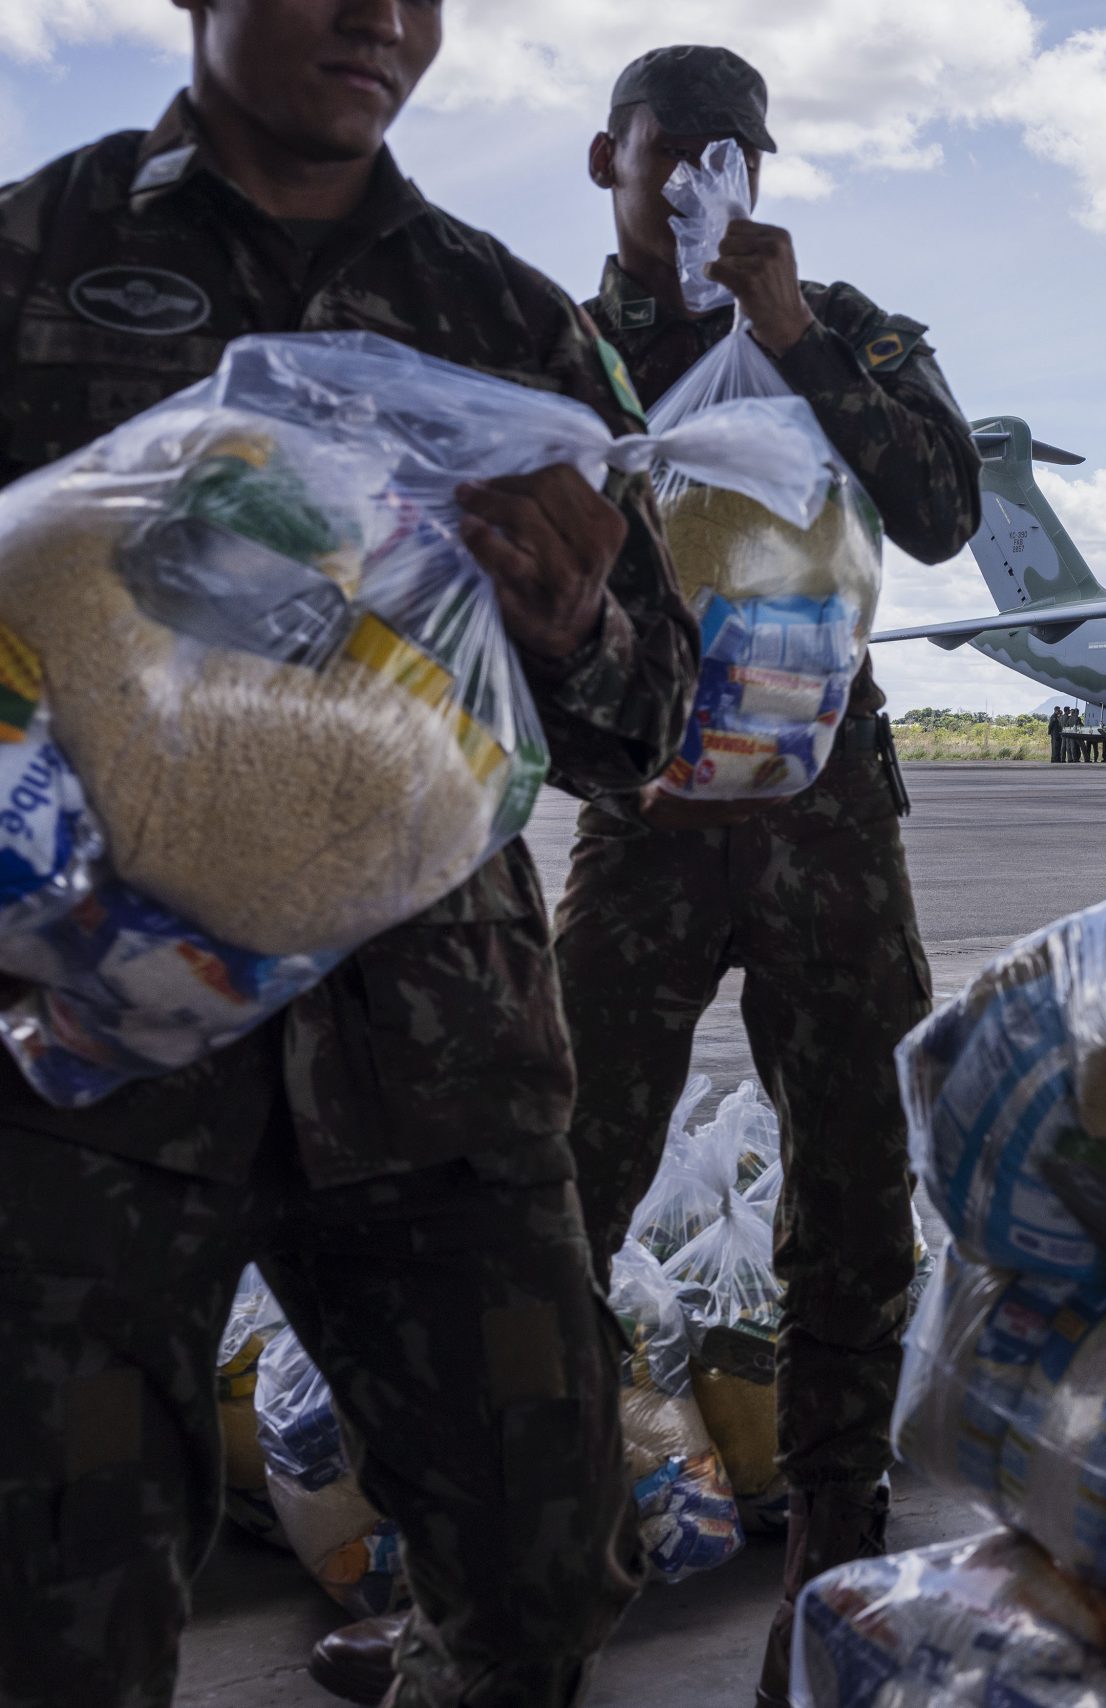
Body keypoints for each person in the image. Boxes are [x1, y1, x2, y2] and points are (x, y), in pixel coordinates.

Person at [0, 2, 701, 1703]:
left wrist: (577, 625)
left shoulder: (503, 316)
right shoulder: (32, 257)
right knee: (56, 1617)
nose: (379, 15)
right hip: (88, 1070)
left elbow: (652, 723)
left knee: (544, 1574)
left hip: (432, 1059)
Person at [361, 45, 965, 1708]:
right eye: (673, 153)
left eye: (739, 156)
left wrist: (796, 334)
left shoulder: (834, 323)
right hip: (643, 827)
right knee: (554, 1186)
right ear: (601, 162)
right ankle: (480, 1589)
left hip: (827, 822)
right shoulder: (547, 346)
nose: (709, 183)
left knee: (850, 1184)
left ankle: (832, 1576)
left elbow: (940, 507)